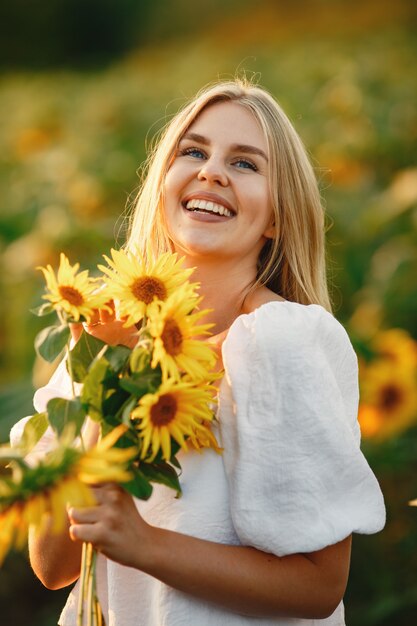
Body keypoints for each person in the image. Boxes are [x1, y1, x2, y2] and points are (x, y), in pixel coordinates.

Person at [11, 79, 385, 625]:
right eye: (193, 151)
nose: (211, 171)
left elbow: (319, 585)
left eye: (246, 164)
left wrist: (148, 545)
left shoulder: (282, 341)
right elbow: (52, 565)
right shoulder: (106, 329)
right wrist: (102, 391)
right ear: (164, 184)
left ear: (278, 216)